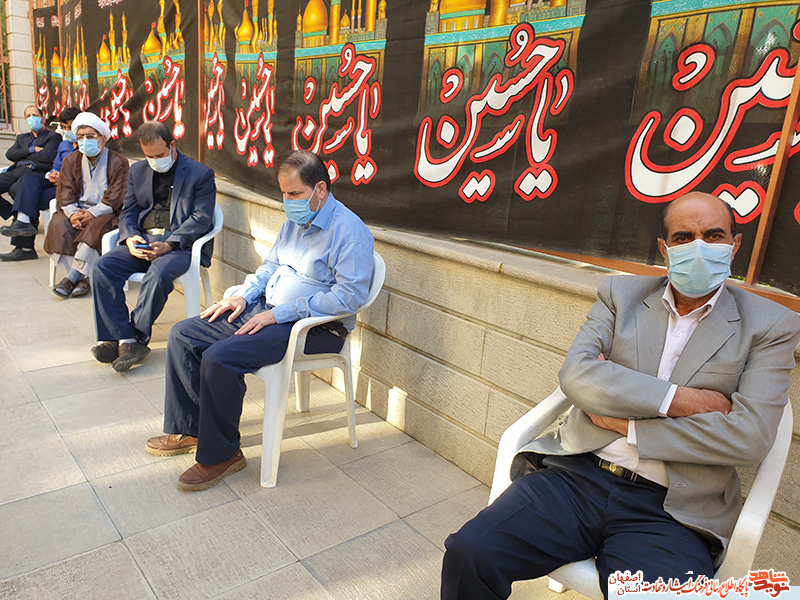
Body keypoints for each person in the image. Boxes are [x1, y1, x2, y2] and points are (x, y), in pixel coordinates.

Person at [441, 192, 800, 600]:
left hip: (672, 512)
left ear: (735, 245)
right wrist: (685, 401)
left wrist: (625, 424)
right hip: (577, 477)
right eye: (683, 238)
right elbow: (577, 376)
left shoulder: (771, 325)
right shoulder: (621, 294)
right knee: (470, 553)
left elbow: (749, 438)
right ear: (664, 248)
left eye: (714, 235)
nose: (699, 247)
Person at [145, 150, 375, 492]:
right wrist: (243, 295)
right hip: (268, 308)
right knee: (184, 334)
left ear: (321, 189)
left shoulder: (349, 232)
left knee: (220, 357)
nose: (288, 202)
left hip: (315, 327)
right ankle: (192, 430)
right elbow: (270, 267)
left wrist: (280, 313)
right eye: (284, 194)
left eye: (295, 193)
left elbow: (349, 297)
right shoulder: (296, 221)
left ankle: (223, 454)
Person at [90, 121, 216, 372]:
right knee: (102, 267)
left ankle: (134, 339)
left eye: (159, 155)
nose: (155, 161)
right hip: (144, 240)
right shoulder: (137, 171)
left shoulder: (200, 173)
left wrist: (169, 244)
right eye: (149, 156)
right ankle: (121, 338)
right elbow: (129, 211)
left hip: (179, 246)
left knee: (158, 273)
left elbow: (201, 218)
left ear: (172, 145)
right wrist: (130, 237)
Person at [43, 112, 129, 298]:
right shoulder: (71, 160)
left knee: (98, 225)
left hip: (106, 211)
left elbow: (117, 196)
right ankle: (83, 278)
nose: (85, 141)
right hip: (77, 210)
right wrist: (73, 214)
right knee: (58, 223)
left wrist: (92, 213)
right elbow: (65, 191)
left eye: (90, 136)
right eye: (81, 137)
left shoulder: (118, 161)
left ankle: (72, 276)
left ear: (102, 139)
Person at [0, 108, 81, 258]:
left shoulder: (85, 147)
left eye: (71, 127)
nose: (68, 131)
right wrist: (52, 174)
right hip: (46, 180)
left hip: (72, 187)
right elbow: (10, 154)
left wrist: (62, 177)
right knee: (28, 193)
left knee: (27, 196)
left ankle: (24, 242)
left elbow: (46, 157)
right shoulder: (64, 145)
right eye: (65, 127)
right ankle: (22, 224)